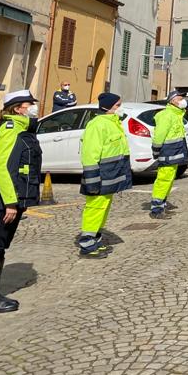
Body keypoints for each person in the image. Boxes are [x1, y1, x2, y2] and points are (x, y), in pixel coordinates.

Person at [0, 90, 42, 314]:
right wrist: (10, 203)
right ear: (17, 108)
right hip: (6, 200)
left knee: (1, 244)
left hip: (14, 197)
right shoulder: (10, 129)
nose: (33, 107)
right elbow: (2, 167)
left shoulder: (21, 128)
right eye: (29, 104)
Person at [76, 92, 132, 258]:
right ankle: (86, 244)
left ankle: (95, 238)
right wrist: (92, 181)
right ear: (107, 107)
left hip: (110, 175)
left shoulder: (113, 123)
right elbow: (89, 155)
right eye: (117, 105)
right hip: (100, 176)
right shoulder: (97, 125)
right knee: (95, 208)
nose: (120, 108)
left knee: (102, 208)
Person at [149, 90, 188, 219]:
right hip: (168, 153)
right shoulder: (167, 115)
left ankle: (162, 205)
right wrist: (156, 150)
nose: (182, 101)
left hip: (174, 153)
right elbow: (159, 135)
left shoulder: (176, 114)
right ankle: (156, 209)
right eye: (179, 98)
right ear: (172, 101)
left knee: (168, 181)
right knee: (163, 180)